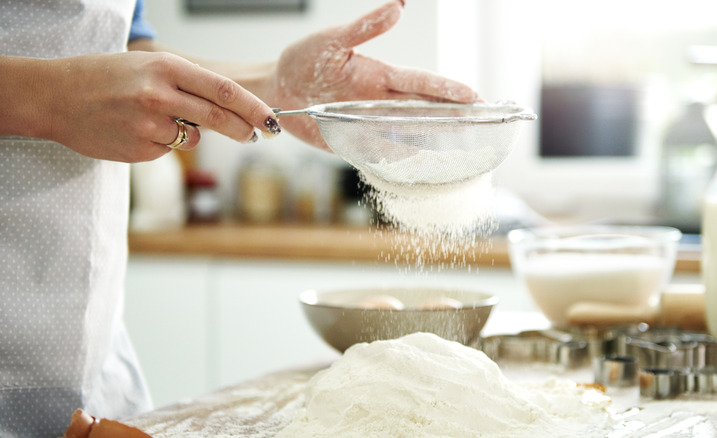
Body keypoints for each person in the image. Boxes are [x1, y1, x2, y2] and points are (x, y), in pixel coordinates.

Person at [0, 0, 478, 436]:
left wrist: (272, 84)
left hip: (84, 349)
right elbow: (79, 72)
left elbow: (119, 48)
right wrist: (52, 96)